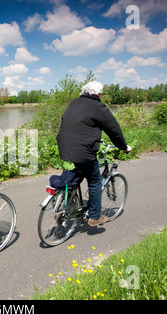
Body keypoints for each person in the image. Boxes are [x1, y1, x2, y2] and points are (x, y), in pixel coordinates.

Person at [56, 81, 131, 226]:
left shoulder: (74, 103)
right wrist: (123, 147)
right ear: (98, 94)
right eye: (101, 94)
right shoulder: (97, 106)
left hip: (65, 148)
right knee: (95, 181)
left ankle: (67, 204)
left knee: (76, 175)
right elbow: (113, 129)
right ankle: (95, 217)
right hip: (83, 151)